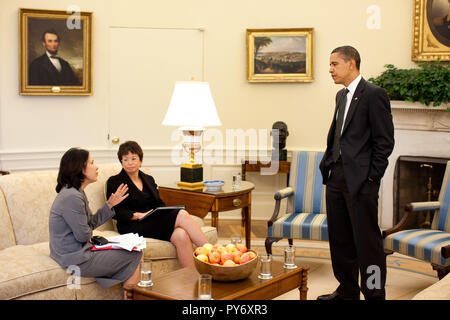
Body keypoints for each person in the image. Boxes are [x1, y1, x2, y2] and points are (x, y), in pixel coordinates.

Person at [318, 46, 395, 300]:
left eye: (334, 64)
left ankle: (374, 293)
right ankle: (347, 291)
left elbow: (384, 142)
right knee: (340, 242)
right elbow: (339, 136)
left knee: (368, 245)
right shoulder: (341, 96)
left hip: (361, 183)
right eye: (329, 65)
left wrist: (372, 179)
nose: (330, 69)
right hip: (336, 178)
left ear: (351, 63)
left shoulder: (374, 94)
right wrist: (329, 164)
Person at [49, 147, 142, 299]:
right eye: (92, 163)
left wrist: (109, 205)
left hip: (75, 251)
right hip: (74, 257)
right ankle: (130, 294)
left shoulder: (76, 191)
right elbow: (83, 234)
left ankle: (128, 294)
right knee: (136, 253)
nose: (96, 166)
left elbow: (88, 224)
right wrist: (89, 231)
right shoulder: (72, 197)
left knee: (135, 249)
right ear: (81, 169)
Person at [106, 141, 209, 267]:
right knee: (182, 214)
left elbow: (158, 203)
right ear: (121, 162)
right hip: (132, 225)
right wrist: (138, 215)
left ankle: (191, 277)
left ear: (140, 160)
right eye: (125, 159)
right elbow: (114, 211)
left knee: (181, 235)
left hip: (152, 220)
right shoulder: (114, 181)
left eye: (134, 158)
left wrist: (164, 214)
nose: (130, 163)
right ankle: (212, 252)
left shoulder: (148, 179)